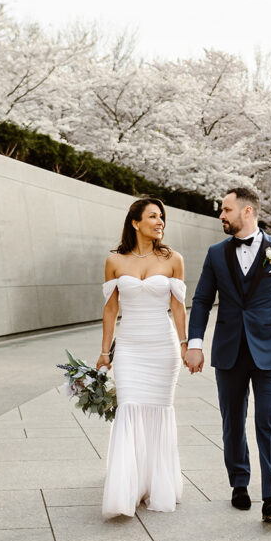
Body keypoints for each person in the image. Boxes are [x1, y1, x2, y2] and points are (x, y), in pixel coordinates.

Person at [184, 188, 271, 522]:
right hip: (229, 350)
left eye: (226, 210)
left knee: (268, 421)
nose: (221, 216)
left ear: (247, 211)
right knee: (233, 421)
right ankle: (239, 483)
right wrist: (194, 343)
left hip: (270, 351)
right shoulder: (215, 254)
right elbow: (200, 299)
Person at [98, 198, 188, 519]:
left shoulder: (173, 259)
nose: (159, 221)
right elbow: (111, 309)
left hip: (162, 348)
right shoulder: (114, 261)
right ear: (135, 222)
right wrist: (105, 352)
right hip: (130, 348)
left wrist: (184, 344)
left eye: (162, 216)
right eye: (153, 216)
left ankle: (156, 483)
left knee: (159, 411)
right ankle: (128, 487)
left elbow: (178, 306)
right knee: (129, 409)